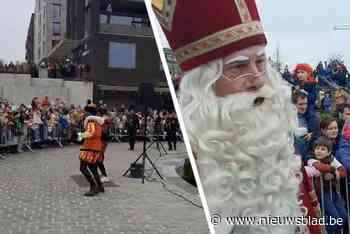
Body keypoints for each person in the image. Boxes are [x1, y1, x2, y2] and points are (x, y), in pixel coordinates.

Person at [152, 0, 304, 233]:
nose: (258, 79)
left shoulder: (277, 139)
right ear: (204, 84)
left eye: (261, 62)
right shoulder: (196, 158)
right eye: (239, 67)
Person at [308, 137, 348, 234]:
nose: (319, 151)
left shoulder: (332, 158)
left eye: (323, 149)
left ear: (329, 152)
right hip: (320, 193)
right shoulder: (311, 159)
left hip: (332, 190)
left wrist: (333, 174)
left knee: (343, 216)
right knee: (334, 216)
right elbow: (321, 167)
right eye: (317, 148)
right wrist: (334, 171)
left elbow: (344, 172)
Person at [78, 106, 105, 196]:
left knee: (83, 168)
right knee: (93, 169)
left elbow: (91, 132)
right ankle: (100, 186)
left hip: (89, 148)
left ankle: (93, 187)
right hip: (96, 147)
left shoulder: (90, 121)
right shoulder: (98, 121)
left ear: (88, 113)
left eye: (85, 112)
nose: (83, 114)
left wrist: (80, 135)